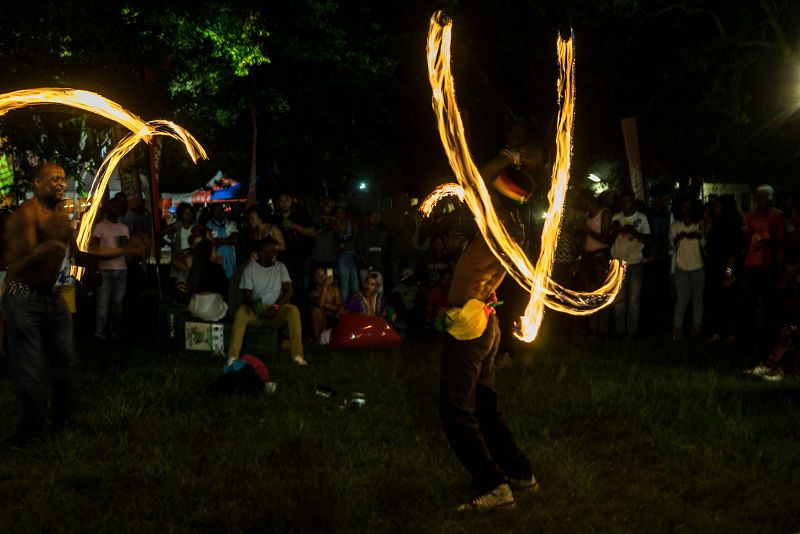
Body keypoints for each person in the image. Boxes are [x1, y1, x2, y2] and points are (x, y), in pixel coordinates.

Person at [3, 162, 144, 445]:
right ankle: (31, 431)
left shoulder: (60, 218)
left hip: (52, 298)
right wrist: (48, 248)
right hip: (22, 296)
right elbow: (14, 267)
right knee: (29, 366)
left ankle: (63, 423)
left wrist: (123, 251)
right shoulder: (26, 215)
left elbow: (80, 255)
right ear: (37, 183)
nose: (60, 184)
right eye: (54, 179)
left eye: (63, 179)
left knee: (66, 362)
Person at [440, 131, 541, 512]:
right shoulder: (512, 225)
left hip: (469, 324)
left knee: (454, 410)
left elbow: (476, 179)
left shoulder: (498, 221)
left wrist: (510, 154)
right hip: (483, 320)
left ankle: (494, 484)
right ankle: (520, 473)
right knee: (483, 407)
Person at [226, 237, 307, 366]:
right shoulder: (250, 269)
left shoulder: (281, 267)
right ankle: (233, 357)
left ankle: (297, 356)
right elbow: (248, 297)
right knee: (241, 311)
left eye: (276, 251)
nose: (275, 254)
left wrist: (275, 307)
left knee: (293, 310)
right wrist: (260, 311)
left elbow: (288, 291)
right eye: (271, 251)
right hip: (257, 309)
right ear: (262, 253)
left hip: (276, 310)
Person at [742, 184, 785, 353]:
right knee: (748, 305)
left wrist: (767, 243)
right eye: (758, 195)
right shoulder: (750, 216)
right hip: (750, 265)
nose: (759, 198)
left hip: (767, 266)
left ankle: (767, 342)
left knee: (769, 306)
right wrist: (746, 234)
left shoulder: (775, 217)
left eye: (762, 195)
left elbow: (780, 241)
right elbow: (745, 238)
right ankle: (749, 340)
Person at [705, 195, 745, 344]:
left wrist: (728, 272)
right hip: (716, 267)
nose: (715, 210)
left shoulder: (733, 224)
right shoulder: (718, 224)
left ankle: (732, 332)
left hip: (728, 268)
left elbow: (734, 251)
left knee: (731, 301)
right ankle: (719, 331)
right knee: (717, 300)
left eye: (717, 206)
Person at [610, 191, 651, 337]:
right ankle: (620, 331)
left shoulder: (641, 218)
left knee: (634, 299)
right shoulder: (616, 218)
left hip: (635, 262)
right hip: (619, 263)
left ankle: (631, 332)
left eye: (628, 201)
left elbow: (648, 239)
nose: (625, 205)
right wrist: (614, 230)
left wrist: (633, 231)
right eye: (623, 202)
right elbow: (608, 239)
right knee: (619, 299)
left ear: (633, 202)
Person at [90, 195, 130, 340]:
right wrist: (95, 269)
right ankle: (100, 333)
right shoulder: (99, 227)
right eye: (115, 204)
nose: (117, 207)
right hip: (105, 269)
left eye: (121, 205)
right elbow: (94, 251)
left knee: (117, 303)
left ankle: (115, 333)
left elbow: (127, 250)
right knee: (103, 303)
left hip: (121, 269)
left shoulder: (124, 228)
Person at [576, 188, 612, 337]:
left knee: (601, 294)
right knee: (590, 295)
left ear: (587, 200)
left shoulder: (604, 213)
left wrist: (586, 230)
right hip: (588, 259)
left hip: (600, 258)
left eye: (581, 201)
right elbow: (585, 240)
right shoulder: (587, 215)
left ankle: (602, 330)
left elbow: (606, 239)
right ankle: (592, 329)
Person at [669, 196, 705, 340]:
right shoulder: (675, 226)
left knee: (698, 298)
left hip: (699, 266)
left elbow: (705, 244)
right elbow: (671, 246)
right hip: (681, 267)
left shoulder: (699, 225)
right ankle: (677, 329)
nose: (687, 210)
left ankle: (696, 328)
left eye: (690, 207)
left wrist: (698, 236)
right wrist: (681, 236)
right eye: (684, 207)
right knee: (682, 298)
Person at [308, 266, 344, 340]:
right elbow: (320, 304)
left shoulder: (335, 288)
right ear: (314, 279)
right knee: (316, 310)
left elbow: (339, 307)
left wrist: (327, 306)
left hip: (334, 317)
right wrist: (325, 286)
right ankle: (319, 339)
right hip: (322, 320)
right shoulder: (313, 293)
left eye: (324, 274)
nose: (323, 277)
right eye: (319, 276)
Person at [205, 203, 239, 280]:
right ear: (212, 212)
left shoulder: (231, 223)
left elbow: (235, 240)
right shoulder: (208, 225)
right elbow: (211, 244)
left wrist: (219, 240)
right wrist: (228, 239)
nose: (219, 212)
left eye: (220, 210)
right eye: (216, 210)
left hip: (231, 260)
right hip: (216, 261)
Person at [356, 209, 388, 285]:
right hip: (365, 269)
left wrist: (379, 264)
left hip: (378, 268)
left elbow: (384, 250)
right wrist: (369, 266)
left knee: (379, 291)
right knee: (367, 291)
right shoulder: (363, 234)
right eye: (373, 216)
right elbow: (360, 253)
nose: (375, 219)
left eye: (377, 217)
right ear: (368, 218)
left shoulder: (382, 233)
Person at [335, 204, 359, 302]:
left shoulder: (351, 223)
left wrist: (344, 241)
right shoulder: (334, 225)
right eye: (337, 213)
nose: (340, 214)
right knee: (344, 285)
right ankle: (345, 308)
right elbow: (336, 243)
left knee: (355, 285)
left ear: (345, 213)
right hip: (342, 258)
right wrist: (346, 240)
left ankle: (357, 307)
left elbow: (355, 238)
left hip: (352, 256)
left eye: (342, 212)